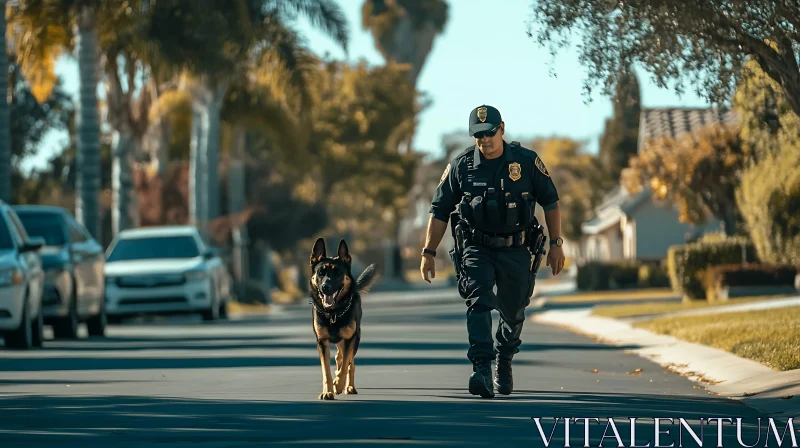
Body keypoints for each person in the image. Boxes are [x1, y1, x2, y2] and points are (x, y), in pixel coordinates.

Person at [419, 104, 565, 398]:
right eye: (478, 135)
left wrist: (556, 244)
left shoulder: (525, 161)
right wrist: (428, 251)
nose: (485, 140)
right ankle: (482, 369)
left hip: (516, 248)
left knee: (513, 312)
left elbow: (550, 201)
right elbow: (439, 210)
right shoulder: (462, 166)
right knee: (478, 301)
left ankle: (505, 357)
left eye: (489, 133)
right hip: (477, 246)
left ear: (502, 129)